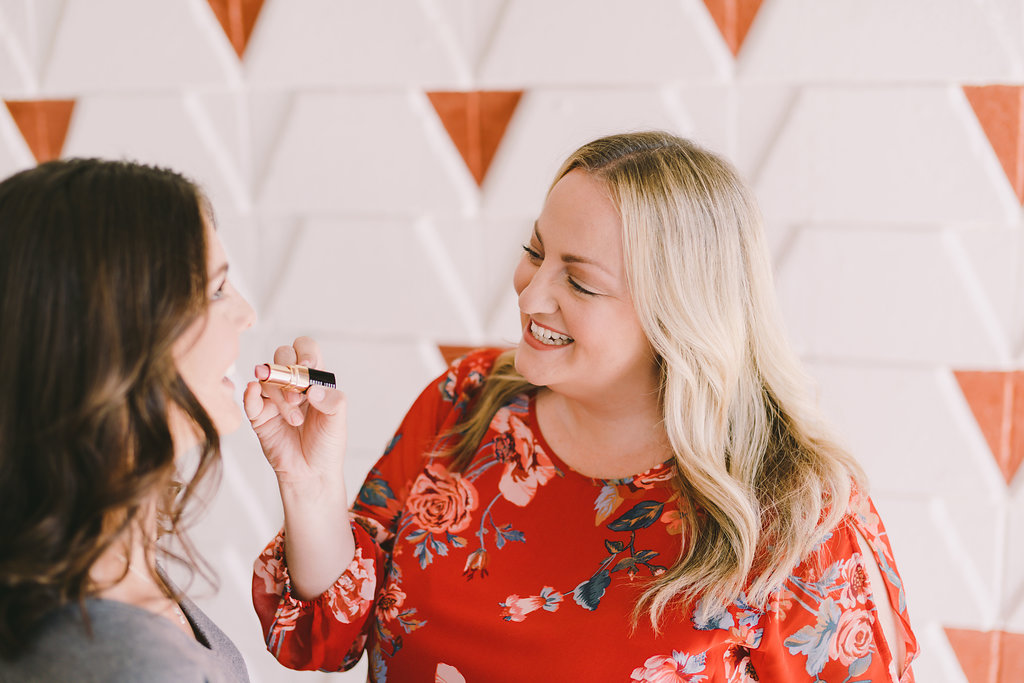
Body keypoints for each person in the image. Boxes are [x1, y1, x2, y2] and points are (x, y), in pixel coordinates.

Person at [248, 132, 919, 681]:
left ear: (678, 314)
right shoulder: (467, 401)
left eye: (579, 280)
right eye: (534, 252)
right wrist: (309, 487)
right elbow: (327, 634)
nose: (532, 295)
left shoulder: (796, 512)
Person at [0, 158, 255, 682]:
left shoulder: (94, 549)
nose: (246, 314)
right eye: (217, 290)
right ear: (119, 339)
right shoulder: (126, 665)